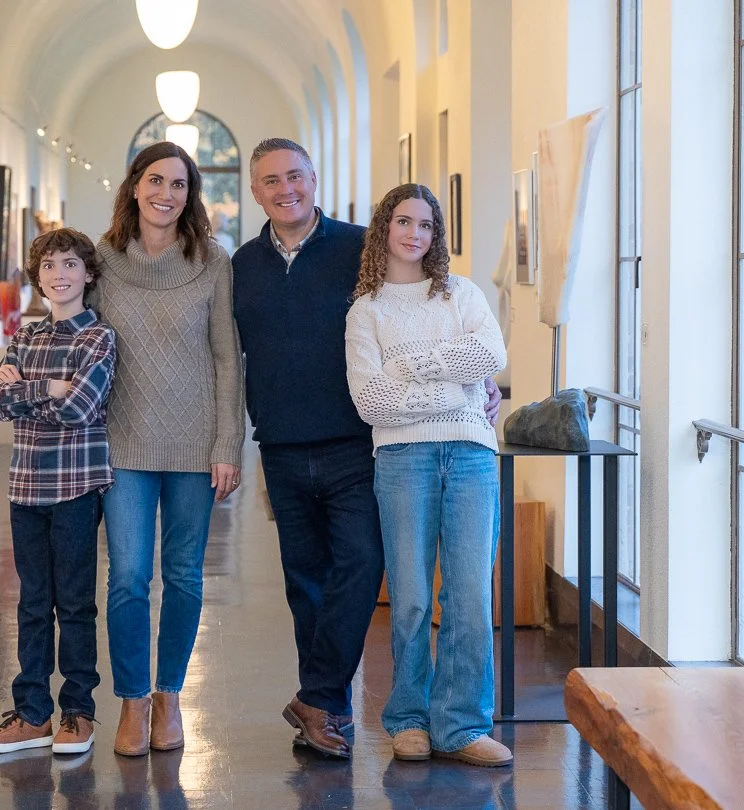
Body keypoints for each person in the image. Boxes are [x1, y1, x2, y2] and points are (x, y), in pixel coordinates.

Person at [232, 138, 501, 760]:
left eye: (294, 176)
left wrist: (478, 383)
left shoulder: (361, 247)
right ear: (255, 192)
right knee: (305, 583)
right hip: (280, 441)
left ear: (314, 178)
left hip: (358, 446)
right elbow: (227, 353)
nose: (285, 189)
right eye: (270, 181)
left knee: (361, 566)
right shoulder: (242, 264)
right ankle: (324, 707)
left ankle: (325, 698)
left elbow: (431, 312)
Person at [345, 183, 512, 767]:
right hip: (402, 460)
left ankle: (463, 725)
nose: (414, 234)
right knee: (411, 596)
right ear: (383, 230)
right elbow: (371, 401)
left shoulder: (460, 294)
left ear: (436, 234)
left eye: (425, 224)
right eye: (403, 222)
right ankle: (410, 718)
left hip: (470, 456)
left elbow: (491, 356)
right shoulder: (365, 311)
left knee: (468, 592)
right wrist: (454, 392)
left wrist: (412, 370)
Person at [91, 141, 245, 756]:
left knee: (182, 576)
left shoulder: (212, 261)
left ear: (191, 195)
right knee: (128, 577)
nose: (166, 194)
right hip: (120, 445)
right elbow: (78, 337)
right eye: (156, 181)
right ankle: (132, 700)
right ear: (134, 187)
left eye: (179, 185)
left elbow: (227, 359)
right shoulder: (101, 261)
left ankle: (169, 695)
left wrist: (227, 443)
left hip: (195, 446)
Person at [0, 227, 116, 757]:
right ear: (38, 279)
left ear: (89, 274)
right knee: (33, 603)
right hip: (25, 486)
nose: (60, 275)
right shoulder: (26, 337)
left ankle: (77, 711)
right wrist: (49, 388)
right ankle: (31, 713)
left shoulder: (98, 337)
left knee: (75, 603)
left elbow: (82, 409)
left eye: (71, 265)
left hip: (76, 486)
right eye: (50, 267)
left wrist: (25, 391)